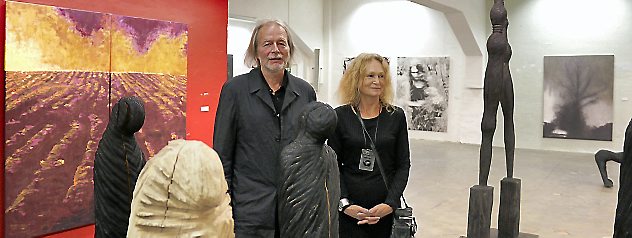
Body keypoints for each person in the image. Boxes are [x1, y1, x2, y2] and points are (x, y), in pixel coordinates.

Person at [213, 19, 317, 237]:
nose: (275, 50)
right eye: (267, 44)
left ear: (289, 49)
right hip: (249, 211)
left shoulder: (306, 92)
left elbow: (312, 152)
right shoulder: (234, 91)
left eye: (282, 43)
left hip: (294, 210)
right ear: (256, 51)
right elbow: (223, 154)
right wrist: (225, 203)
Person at [328, 53, 411, 237]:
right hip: (350, 212)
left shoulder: (395, 116)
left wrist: (390, 204)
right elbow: (332, 166)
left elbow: (403, 165)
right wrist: (344, 204)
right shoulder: (340, 117)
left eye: (381, 76)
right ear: (356, 79)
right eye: (370, 75)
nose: (377, 81)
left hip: (384, 212)